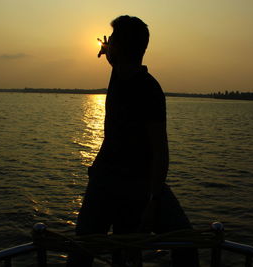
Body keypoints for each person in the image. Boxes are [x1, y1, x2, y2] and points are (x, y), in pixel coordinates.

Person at [66, 15, 200, 267]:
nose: (107, 46)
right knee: (84, 248)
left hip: (139, 184)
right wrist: (106, 47)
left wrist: (153, 200)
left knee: (185, 242)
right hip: (105, 180)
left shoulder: (148, 90)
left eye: (112, 40)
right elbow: (111, 53)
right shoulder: (118, 71)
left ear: (123, 47)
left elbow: (160, 151)